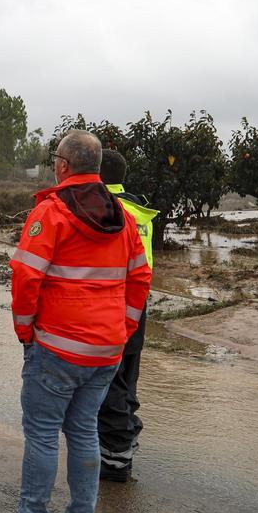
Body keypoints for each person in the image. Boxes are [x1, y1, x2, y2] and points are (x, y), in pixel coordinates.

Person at [10, 130, 151, 513]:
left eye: (55, 157)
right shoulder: (123, 216)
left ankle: (33, 511)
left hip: (56, 347)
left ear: (63, 165)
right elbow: (141, 277)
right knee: (85, 431)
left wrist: (25, 331)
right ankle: (81, 512)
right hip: (105, 351)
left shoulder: (51, 212)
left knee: (41, 436)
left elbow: (25, 276)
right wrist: (122, 329)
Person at [96, 150, 159, 483]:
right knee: (127, 379)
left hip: (114, 306)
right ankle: (126, 440)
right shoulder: (139, 208)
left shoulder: (106, 208)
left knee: (111, 385)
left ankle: (116, 460)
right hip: (140, 304)